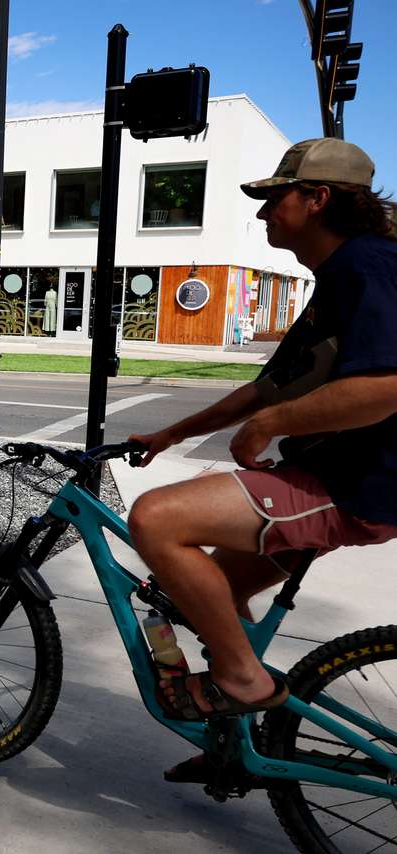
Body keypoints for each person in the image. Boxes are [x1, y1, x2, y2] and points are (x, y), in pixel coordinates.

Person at [127, 138, 397, 739]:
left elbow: (386, 386)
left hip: (360, 485)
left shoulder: (367, 266)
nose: (262, 213)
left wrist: (270, 427)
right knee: (210, 595)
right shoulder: (340, 276)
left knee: (155, 519)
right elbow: (269, 387)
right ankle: (235, 743)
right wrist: (173, 433)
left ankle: (243, 680)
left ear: (318, 198)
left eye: (275, 198)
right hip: (340, 476)